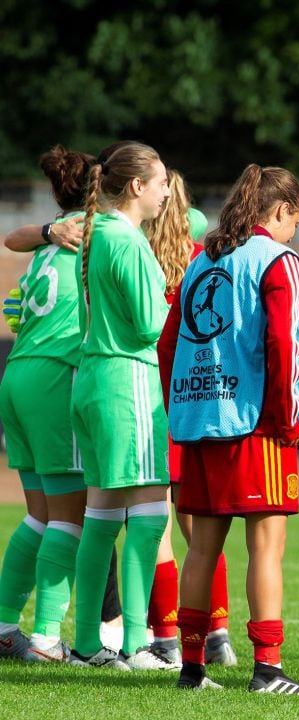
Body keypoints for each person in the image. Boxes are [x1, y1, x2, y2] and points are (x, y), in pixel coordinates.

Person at [159, 164, 299, 695]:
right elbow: (285, 344)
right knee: (266, 547)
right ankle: (268, 670)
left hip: (198, 420)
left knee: (202, 549)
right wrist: (288, 418)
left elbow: (168, 347)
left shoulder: (202, 260)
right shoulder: (279, 261)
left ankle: (191, 670)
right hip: (256, 424)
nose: (294, 231)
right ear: (280, 212)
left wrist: (181, 405)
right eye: (295, 220)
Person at [68, 141, 173, 671]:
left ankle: (88, 642)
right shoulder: (127, 240)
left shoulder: (95, 233)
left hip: (93, 378)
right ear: (136, 186)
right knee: (152, 514)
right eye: (159, 184)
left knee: (102, 517)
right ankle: (136, 643)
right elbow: (150, 326)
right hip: (126, 382)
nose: (165, 193)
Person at [0, 146, 92, 663]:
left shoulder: (51, 239)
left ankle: (3, 625)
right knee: (68, 517)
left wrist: (47, 231)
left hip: (18, 374)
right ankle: (47, 637)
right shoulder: (96, 232)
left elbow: (12, 237)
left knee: (39, 516)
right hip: (58, 373)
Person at [142, 170, 236, 668]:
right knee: (200, 528)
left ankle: (165, 637)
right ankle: (217, 632)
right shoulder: (204, 260)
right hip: (193, 400)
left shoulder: (133, 254)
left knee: (154, 525)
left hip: (144, 399)